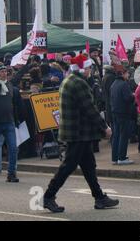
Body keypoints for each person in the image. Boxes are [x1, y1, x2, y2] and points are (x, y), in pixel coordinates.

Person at [42, 56, 117, 213]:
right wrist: (105, 127)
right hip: (78, 133)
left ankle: (99, 198)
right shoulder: (79, 83)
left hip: (77, 132)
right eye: (89, 68)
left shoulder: (69, 80)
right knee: (68, 166)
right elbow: (89, 108)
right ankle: (48, 196)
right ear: (84, 69)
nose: (90, 71)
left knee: (89, 166)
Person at [110, 65, 135, 165]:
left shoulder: (114, 83)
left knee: (116, 135)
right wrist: (133, 95)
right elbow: (128, 98)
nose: (128, 75)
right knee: (123, 135)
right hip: (123, 112)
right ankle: (122, 157)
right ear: (122, 74)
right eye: (127, 73)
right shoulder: (124, 84)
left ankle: (115, 157)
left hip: (115, 112)